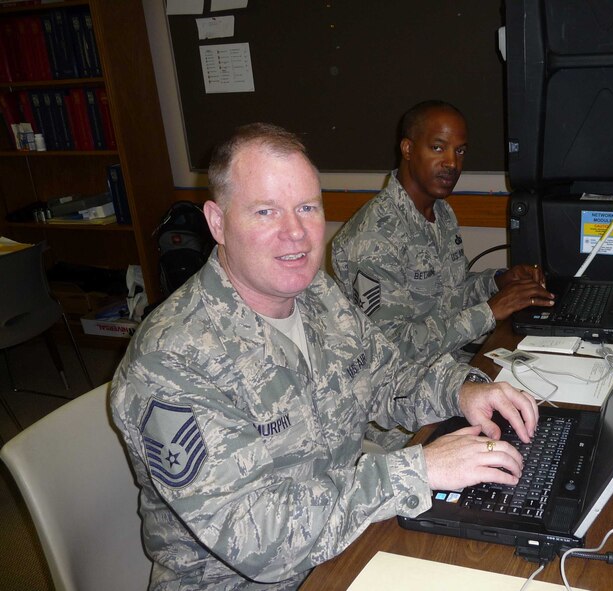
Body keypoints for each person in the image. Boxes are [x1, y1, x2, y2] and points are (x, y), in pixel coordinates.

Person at [109, 123, 539, 589]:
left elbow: (389, 377)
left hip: (345, 537)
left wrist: (460, 391)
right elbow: (259, 540)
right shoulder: (172, 359)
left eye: (307, 208)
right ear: (217, 222)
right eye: (266, 211)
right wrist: (421, 469)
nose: (295, 233)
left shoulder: (317, 295)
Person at [332, 100, 554, 366]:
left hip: (447, 363)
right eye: (438, 147)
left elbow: (448, 294)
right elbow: (392, 347)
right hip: (400, 391)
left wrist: (498, 282)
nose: (452, 163)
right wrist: (489, 312)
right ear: (408, 149)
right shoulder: (373, 237)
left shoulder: (442, 213)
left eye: (460, 151)